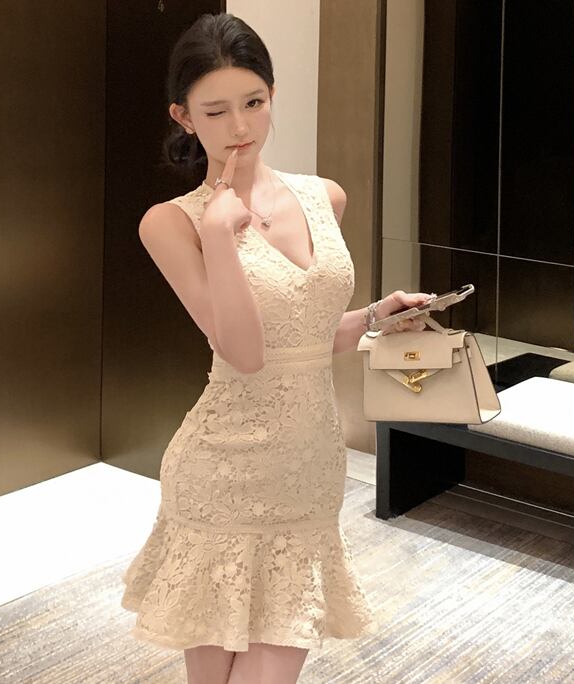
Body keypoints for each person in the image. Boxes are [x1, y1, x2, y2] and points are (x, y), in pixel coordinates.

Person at [120, 12, 434, 684]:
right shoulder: (171, 224)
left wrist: (374, 318)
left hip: (308, 469)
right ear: (183, 117)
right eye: (216, 111)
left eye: (254, 102)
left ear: (272, 95)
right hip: (220, 472)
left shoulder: (325, 198)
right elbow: (243, 351)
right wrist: (218, 235)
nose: (240, 127)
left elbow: (302, 340)